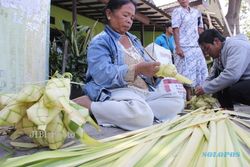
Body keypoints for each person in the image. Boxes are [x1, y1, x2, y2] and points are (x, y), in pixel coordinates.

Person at [73, 0, 184, 130]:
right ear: (109, 13)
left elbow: (146, 68)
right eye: (125, 15)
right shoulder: (100, 42)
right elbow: (102, 75)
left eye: (132, 17)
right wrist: (136, 70)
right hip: (117, 91)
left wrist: (154, 73)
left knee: (177, 101)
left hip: (142, 93)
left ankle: (130, 113)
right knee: (142, 115)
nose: (129, 21)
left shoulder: (134, 40)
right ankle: (91, 106)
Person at [195, 29, 250, 110]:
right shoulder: (219, 55)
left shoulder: (235, 46)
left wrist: (206, 88)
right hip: (244, 80)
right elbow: (212, 76)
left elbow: (232, 75)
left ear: (216, 41)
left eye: (207, 48)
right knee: (219, 80)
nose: (206, 53)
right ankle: (227, 112)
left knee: (235, 90)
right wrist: (203, 87)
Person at [172, 0, 208, 101]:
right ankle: (187, 99)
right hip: (184, 47)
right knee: (185, 75)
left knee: (201, 72)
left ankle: (199, 98)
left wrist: (204, 46)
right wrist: (178, 47)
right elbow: (176, 29)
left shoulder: (196, 12)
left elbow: (200, 29)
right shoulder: (177, 11)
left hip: (196, 47)